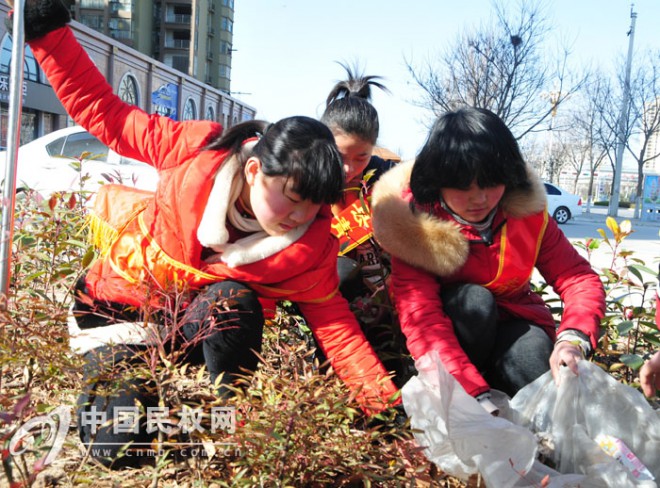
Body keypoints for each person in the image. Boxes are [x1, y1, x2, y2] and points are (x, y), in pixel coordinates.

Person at [8, 0, 399, 468]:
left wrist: (387, 412)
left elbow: (338, 332)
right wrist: (47, 34)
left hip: (190, 329)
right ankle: (159, 410)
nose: (299, 216)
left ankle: (219, 416)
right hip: (119, 308)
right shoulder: (195, 151)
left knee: (236, 298)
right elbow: (107, 114)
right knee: (116, 448)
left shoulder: (311, 246)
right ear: (254, 170)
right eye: (291, 198)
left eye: (313, 204)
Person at [371, 107, 606, 414]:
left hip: (512, 325)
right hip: (450, 339)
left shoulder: (527, 214)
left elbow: (577, 277)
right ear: (438, 181)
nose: (479, 199)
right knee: (475, 300)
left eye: (490, 183)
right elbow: (423, 317)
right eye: (463, 186)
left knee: (534, 356)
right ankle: (460, 396)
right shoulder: (414, 225)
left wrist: (572, 340)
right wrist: (473, 394)